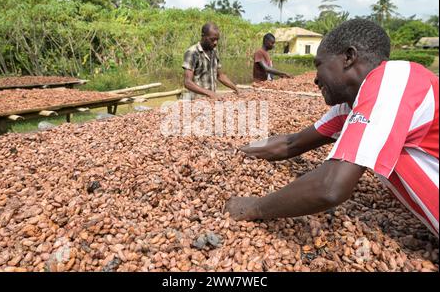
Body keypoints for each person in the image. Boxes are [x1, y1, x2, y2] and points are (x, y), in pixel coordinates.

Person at [226, 19, 439, 237]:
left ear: (348, 57)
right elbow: (292, 143)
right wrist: (236, 152)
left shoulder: (393, 83)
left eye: (319, 65)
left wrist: (254, 207)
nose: (316, 80)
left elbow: (330, 187)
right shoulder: (352, 104)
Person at [182, 22, 239, 100]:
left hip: (211, 100)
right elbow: (187, 82)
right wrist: (209, 93)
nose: (215, 43)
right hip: (196, 100)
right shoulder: (193, 52)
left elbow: (220, 76)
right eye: (212, 39)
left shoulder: (214, 52)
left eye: (217, 40)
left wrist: (235, 88)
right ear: (203, 36)